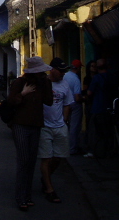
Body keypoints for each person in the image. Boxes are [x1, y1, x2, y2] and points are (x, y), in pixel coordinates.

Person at [7, 56, 53, 212]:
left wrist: (47, 84)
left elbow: (49, 101)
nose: (42, 74)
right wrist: (23, 93)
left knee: (32, 161)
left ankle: (27, 195)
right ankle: (20, 197)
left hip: (36, 125)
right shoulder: (20, 83)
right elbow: (11, 101)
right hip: (20, 125)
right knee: (23, 160)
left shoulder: (43, 83)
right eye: (39, 72)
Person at [38, 58, 73, 203]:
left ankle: (45, 178)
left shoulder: (65, 84)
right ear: (52, 70)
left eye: (64, 71)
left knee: (59, 157)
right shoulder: (43, 83)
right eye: (61, 71)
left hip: (59, 125)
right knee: (46, 158)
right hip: (44, 126)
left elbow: (67, 104)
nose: (63, 74)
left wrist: (64, 120)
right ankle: (49, 189)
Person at [84, 58, 116, 158]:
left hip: (98, 107)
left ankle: (97, 151)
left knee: (95, 131)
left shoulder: (97, 78)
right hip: (110, 107)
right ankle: (109, 150)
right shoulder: (111, 76)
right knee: (108, 131)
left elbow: (89, 92)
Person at [64, 59, 85, 155]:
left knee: (65, 125)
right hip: (74, 104)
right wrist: (84, 99)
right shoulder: (76, 79)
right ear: (78, 68)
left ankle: (66, 146)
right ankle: (73, 148)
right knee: (74, 126)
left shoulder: (65, 76)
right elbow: (77, 97)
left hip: (65, 103)